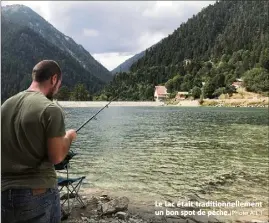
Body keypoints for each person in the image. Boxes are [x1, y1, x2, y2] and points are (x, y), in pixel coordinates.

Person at [1, 60, 77, 223]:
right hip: (38, 192)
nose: (58, 89)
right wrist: (69, 137)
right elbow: (56, 157)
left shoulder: (5, 106)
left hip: (5, 194)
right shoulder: (50, 109)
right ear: (54, 79)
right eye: (59, 84)